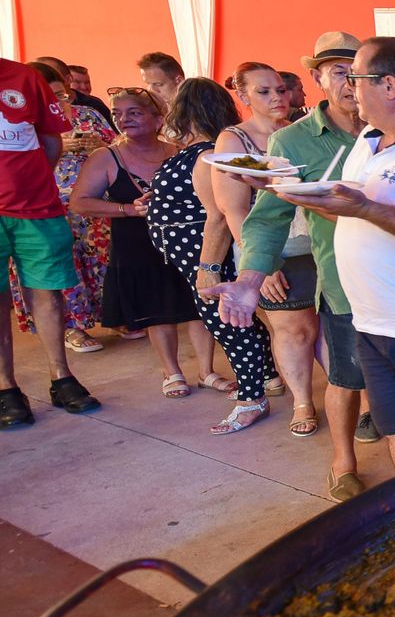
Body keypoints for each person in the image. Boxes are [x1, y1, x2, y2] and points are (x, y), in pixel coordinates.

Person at [214, 37, 395, 474]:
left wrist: (365, 207)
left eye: (357, 76)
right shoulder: (370, 141)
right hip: (372, 321)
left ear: (389, 86)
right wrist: (285, 193)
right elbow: (355, 215)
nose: (350, 85)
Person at [204, 31, 379, 500]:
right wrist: (249, 278)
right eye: (338, 72)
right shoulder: (293, 141)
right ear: (318, 79)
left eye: (357, 71)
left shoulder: (391, 129)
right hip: (344, 284)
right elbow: (267, 218)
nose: (350, 82)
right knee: (344, 376)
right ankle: (342, 461)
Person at [70, 88, 227, 400]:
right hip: (136, 245)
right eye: (117, 114)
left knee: (198, 305)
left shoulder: (178, 151)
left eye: (134, 113)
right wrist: (127, 209)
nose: (123, 119)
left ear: (158, 119)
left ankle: (206, 370)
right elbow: (79, 202)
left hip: (184, 240)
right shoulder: (106, 157)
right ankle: (172, 371)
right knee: (156, 309)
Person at [145, 78, 283, 434]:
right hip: (195, 254)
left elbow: (219, 214)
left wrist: (207, 268)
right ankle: (268, 377)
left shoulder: (211, 153)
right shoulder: (204, 151)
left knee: (230, 324)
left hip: (208, 255)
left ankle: (251, 398)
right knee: (238, 323)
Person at [213, 62, 316, 432]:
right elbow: (233, 209)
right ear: (243, 97)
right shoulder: (234, 141)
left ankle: (353, 400)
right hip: (272, 249)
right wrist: (263, 263)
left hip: (314, 242)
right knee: (292, 330)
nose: (276, 97)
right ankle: (303, 404)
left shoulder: (297, 131)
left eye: (281, 89)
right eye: (264, 91)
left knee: (326, 329)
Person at [0, 56, 100, 426]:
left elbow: (50, 142)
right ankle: (6, 388)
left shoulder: (24, 77)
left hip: (35, 208)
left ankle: (62, 378)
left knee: (47, 293)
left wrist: (29, 182)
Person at [7, 62, 117, 353]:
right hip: (43, 205)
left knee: (102, 261)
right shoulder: (20, 120)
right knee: (64, 267)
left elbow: (118, 143)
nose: (57, 102)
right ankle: (71, 327)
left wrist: (98, 145)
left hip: (95, 203)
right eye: (49, 95)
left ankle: (112, 315)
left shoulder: (89, 115)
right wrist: (58, 147)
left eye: (61, 94)